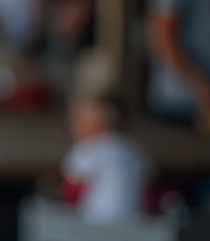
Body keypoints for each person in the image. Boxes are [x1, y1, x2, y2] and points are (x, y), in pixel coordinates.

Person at [61, 95, 152, 223]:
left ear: (94, 125)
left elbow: (72, 190)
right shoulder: (137, 152)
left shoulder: (87, 149)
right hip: (135, 221)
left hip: (95, 220)